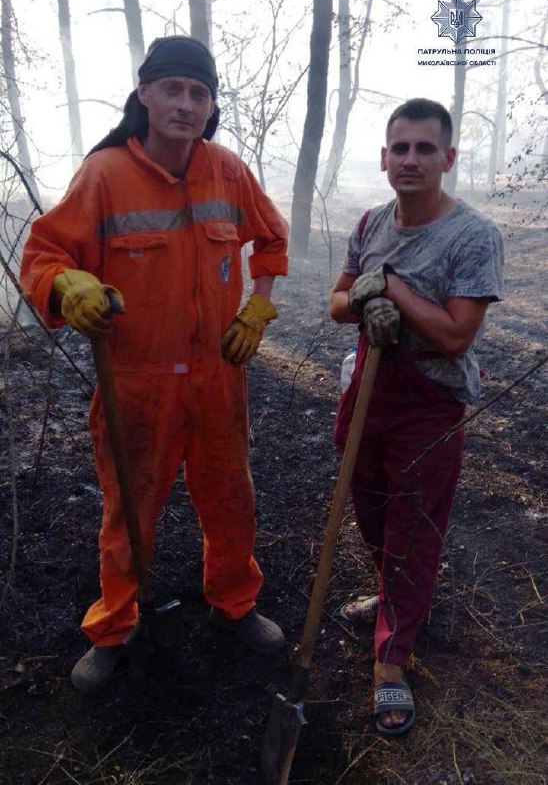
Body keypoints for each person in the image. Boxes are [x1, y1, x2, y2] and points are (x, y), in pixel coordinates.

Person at [20, 36, 288, 694]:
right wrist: (66, 285)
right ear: (144, 94)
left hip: (218, 377)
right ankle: (114, 625)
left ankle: (235, 602)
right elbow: (43, 254)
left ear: (210, 104)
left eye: (199, 93)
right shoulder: (105, 174)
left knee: (231, 496)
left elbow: (272, 239)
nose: (186, 104)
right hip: (135, 384)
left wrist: (258, 308)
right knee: (129, 512)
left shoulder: (227, 170)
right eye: (173, 89)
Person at [329, 98, 504, 736]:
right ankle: (397, 600)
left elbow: (457, 335)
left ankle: (392, 658)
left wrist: (391, 289)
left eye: (424, 148)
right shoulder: (372, 222)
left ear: (447, 159)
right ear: (384, 158)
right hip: (371, 387)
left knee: (414, 526)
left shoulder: (473, 235)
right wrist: (361, 302)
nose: (410, 159)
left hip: (429, 401)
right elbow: (336, 303)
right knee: (371, 510)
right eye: (399, 148)